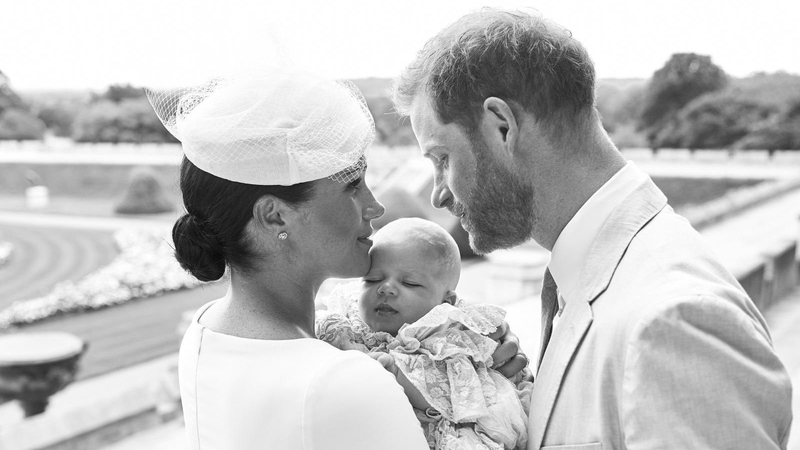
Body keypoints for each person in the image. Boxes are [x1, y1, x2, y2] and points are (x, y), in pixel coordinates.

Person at [393, 9, 794, 450]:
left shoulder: (674, 321)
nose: (438, 195)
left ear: (501, 127)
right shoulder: (600, 276)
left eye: (442, 159)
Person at [146, 67, 525, 450]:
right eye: (353, 186)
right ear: (275, 216)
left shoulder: (205, 330)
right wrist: (483, 397)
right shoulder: (349, 382)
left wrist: (461, 351)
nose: (375, 207)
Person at [316, 217, 532, 450]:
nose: (386, 288)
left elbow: (457, 397)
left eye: (410, 283)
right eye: (372, 279)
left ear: (445, 303)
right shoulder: (345, 324)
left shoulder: (448, 340)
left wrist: (397, 374)